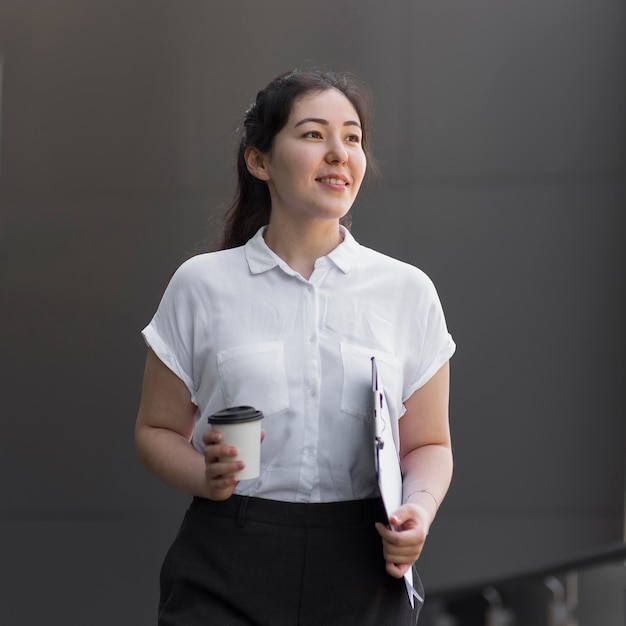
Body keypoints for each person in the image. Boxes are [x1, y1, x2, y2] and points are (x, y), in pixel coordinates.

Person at [135, 67, 456, 626]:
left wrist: (419, 512)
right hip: (227, 556)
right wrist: (203, 476)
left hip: (365, 563)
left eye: (352, 137)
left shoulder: (408, 291)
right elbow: (155, 431)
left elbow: (428, 443)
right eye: (313, 135)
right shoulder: (201, 284)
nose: (338, 153)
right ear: (259, 161)